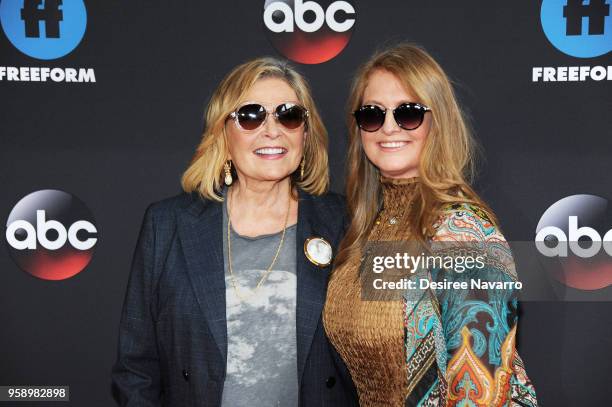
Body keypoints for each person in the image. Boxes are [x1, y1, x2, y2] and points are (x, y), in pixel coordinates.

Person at [111, 57, 357, 406]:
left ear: (305, 131)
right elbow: (136, 368)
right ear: (223, 134)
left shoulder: (345, 223)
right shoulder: (167, 224)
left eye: (288, 115)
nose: (272, 130)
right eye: (251, 115)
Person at [322, 43, 538, 406]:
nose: (388, 128)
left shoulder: (465, 233)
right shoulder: (365, 228)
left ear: (438, 122)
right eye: (372, 115)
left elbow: (479, 393)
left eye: (408, 113)